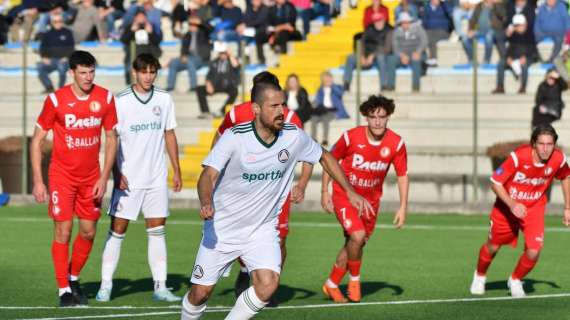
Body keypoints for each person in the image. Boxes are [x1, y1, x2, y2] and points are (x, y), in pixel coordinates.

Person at [180, 78, 373, 320]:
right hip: (223, 228)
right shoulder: (234, 137)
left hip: (261, 229)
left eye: (282, 105)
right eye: (274, 106)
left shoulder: (293, 136)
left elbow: (325, 156)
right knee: (201, 292)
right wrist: (206, 201)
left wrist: (349, 190)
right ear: (256, 109)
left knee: (268, 285)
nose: (281, 111)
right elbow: (207, 175)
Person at [30, 50, 118, 307]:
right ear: (71, 72)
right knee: (63, 230)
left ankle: (73, 277)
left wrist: (104, 178)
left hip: (92, 178)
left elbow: (112, 138)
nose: (88, 77)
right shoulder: (56, 101)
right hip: (62, 177)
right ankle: (63, 290)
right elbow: (37, 141)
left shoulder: (106, 98)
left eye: (91, 72)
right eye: (82, 72)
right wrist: (38, 180)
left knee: (89, 232)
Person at [95, 54, 182, 302]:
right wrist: (115, 173)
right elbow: (112, 140)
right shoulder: (120, 101)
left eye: (152, 72)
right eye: (144, 71)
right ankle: (106, 285)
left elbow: (170, 134)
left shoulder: (164, 99)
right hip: (128, 179)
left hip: (156, 177)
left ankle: (161, 286)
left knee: (157, 230)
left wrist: (176, 169)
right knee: (117, 230)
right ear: (134, 72)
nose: (148, 76)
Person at [321, 94, 409, 303]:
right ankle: (354, 281)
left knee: (355, 244)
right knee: (358, 236)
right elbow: (329, 160)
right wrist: (325, 191)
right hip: (345, 196)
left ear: (388, 117)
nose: (377, 122)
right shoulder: (351, 137)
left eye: (382, 117)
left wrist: (403, 207)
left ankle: (331, 284)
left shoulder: (396, 143)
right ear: (366, 118)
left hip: (370, 202)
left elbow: (402, 175)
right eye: (373, 117)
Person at [470, 124, 570, 298]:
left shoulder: (558, 159)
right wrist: (512, 204)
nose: (545, 149)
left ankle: (515, 279)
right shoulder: (518, 157)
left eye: (550, 144)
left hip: (534, 208)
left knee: (534, 250)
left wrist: (568, 207)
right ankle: (479, 275)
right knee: (493, 246)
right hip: (506, 208)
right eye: (541, 144)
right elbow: (495, 182)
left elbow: (565, 176)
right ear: (533, 144)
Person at [343, 12, 393, 92]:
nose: (377, 23)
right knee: (350, 57)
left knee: (381, 58)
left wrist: (373, 55)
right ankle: (346, 83)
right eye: (376, 21)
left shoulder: (389, 30)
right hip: (365, 54)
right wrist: (361, 55)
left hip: (379, 55)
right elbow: (362, 43)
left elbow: (387, 48)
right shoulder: (369, 29)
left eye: (379, 20)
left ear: (383, 20)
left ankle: (384, 85)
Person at [165, 14, 212, 92]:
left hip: (201, 58)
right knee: (173, 62)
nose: (192, 26)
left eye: (194, 24)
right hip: (188, 58)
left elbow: (211, 29)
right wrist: (183, 56)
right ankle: (170, 86)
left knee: (190, 62)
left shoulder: (204, 33)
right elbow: (184, 48)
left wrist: (201, 22)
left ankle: (194, 87)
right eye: (190, 24)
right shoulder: (187, 35)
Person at [492, 14, 536, 94]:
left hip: (526, 57)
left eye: (519, 25)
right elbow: (498, 39)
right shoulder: (512, 34)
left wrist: (525, 57)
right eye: (516, 25)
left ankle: (523, 87)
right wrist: (508, 57)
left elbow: (532, 50)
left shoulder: (530, 34)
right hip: (513, 57)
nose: (518, 27)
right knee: (501, 63)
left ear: (525, 24)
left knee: (524, 65)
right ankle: (500, 86)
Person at [195, 42, 240, 118]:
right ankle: (205, 112)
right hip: (215, 85)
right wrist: (208, 84)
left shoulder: (231, 60)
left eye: (224, 53)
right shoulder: (214, 62)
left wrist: (231, 55)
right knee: (199, 89)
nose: (222, 55)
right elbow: (209, 75)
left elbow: (236, 66)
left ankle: (222, 111)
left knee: (235, 91)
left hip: (228, 85)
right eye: (221, 53)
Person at [387, 12, 427, 92]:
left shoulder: (418, 28)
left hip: (416, 53)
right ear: (400, 23)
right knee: (391, 59)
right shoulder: (396, 31)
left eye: (406, 22)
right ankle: (391, 86)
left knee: (416, 60)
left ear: (410, 22)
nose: (405, 24)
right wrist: (402, 55)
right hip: (402, 55)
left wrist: (418, 52)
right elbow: (395, 47)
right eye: (403, 22)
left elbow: (424, 41)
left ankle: (416, 87)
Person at [36, 13, 75, 93]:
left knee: (61, 68)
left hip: (64, 60)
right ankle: (49, 87)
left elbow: (71, 47)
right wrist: (44, 57)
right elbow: (43, 47)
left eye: (60, 21)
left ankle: (60, 90)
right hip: (51, 60)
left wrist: (66, 57)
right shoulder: (47, 34)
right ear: (52, 22)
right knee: (40, 67)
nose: (58, 23)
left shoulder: (68, 32)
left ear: (62, 21)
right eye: (55, 21)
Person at [312, 70, 347, 147]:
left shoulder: (337, 87)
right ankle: (313, 139)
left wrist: (332, 86)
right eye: (325, 79)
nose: (327, 81)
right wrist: (314, 104)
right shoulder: (320, 90)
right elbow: (317, 100)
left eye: (329, 78)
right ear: (322, 80)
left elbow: (340, 93)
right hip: (322, 110)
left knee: (325, 118)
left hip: (333, 110)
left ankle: (325, 139)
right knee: (314, 118)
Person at [420, 0, 452, 66]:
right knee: (424, 38)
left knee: (433, 38)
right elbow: (424, 21)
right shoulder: (427, 8)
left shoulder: (444, 7)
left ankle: (433, 58)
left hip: (443, 31)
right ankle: (424, 59)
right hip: (429, 30)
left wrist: (443, 3)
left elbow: (450, 12)